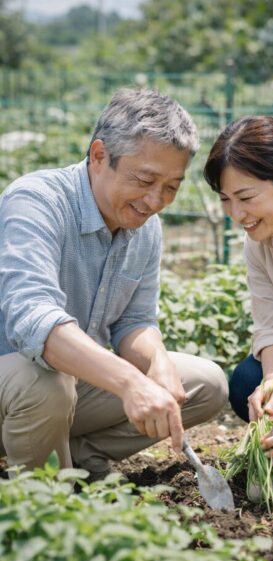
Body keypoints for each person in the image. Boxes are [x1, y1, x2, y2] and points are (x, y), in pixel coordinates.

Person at [0, 89, 228, 477]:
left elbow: (134, 320)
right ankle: (41, 500)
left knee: (205, 384)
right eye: (144, 179)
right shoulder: (37, 200)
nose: (155, 200)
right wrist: (128, 383)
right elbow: (32, 316)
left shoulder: (145, 227)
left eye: (171, 186)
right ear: (99, 156)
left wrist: (157, 363)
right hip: (19, 383)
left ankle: (76, 456)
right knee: (46, 385)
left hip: (69, 386)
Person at [203, 115, 273, 468]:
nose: (237, 214)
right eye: (225, 200)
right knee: (250, 380)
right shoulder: (259, 244)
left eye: (246, 197)